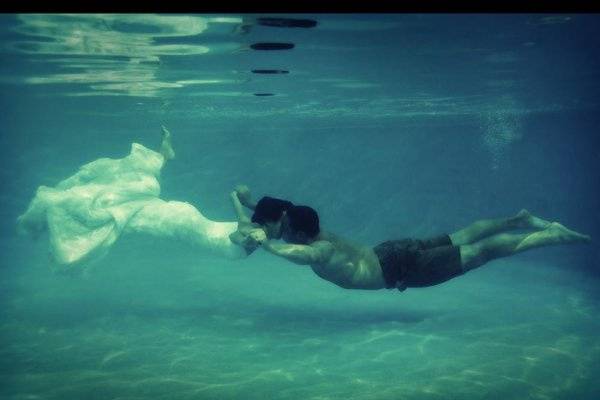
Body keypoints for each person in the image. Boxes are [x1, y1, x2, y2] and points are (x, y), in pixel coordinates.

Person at [17, 126, 258, 271]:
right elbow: (243, 233)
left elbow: (241, 233)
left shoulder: (235, 245)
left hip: (174, 216)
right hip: (172, 217)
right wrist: (241, 205)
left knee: (86, 199)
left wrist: (240, 204)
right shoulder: (234, 245)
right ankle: (164, 155)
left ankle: (164, 155)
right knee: (86, 199)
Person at [235, 196, 591, 291]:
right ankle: (520, 219)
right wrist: (251, 206)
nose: (282, 231)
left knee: (482, 251)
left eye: (283, 229)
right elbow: (287, 212)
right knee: (463, 235)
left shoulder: (320, 250)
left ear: (295, 231)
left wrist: (265, 244)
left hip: (399, 268)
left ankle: (549, 235)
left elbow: (296, 254)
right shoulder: (312, 223)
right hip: (390, 251)